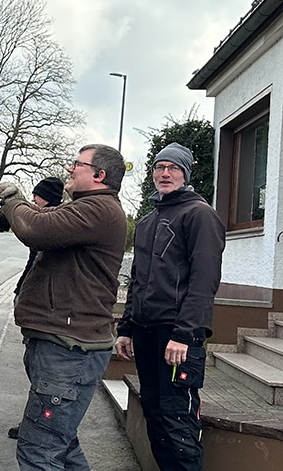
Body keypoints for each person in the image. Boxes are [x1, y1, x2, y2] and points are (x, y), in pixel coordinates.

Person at [0, 144, 127, 471]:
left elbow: (35, 229)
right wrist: (17, 209)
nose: (70, 169)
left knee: (41, 452)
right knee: (61, 446)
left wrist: (12, 200)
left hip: (68, 353)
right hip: (65, 349)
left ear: (99, 175)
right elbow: (41, 218)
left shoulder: (99, 210)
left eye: (77, 164)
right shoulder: (87, 208)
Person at [115, 143, 225, 471]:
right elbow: (138, 281)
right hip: (147, 333)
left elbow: (204, 282)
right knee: (155, 415)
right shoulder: (149, 220)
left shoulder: (199, 215)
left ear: (185, 174)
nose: (165, 174)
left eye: (173, 168)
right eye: (159, 168)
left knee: (178, 421)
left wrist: (186, 333)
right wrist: (127, 328)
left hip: (177, 337)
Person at [6, 176, 65, 440]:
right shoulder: (47, 219)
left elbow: (33, 233)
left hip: (47, 312)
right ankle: (34, 423)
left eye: (37, 196)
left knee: (41, 374)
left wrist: (14, 203)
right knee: (33, 365)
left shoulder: (54, 222)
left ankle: (37, 427)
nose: (34, 199)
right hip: (34, 302)